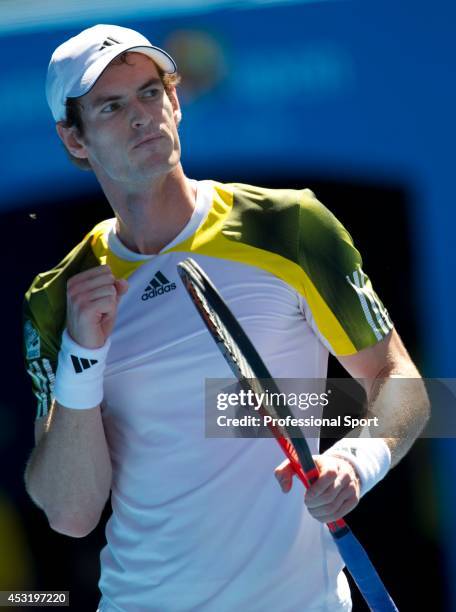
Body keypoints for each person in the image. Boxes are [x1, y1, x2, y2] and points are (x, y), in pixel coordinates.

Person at [23, 24, 429, 612]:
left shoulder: (288, 225)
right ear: (75, 140)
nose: (142, 116)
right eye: (111, 107)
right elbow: (71, 513)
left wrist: (356, 460)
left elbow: (403, 385)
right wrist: (81, 360)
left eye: (150, 92)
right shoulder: (58, 297)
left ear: (175, 101)